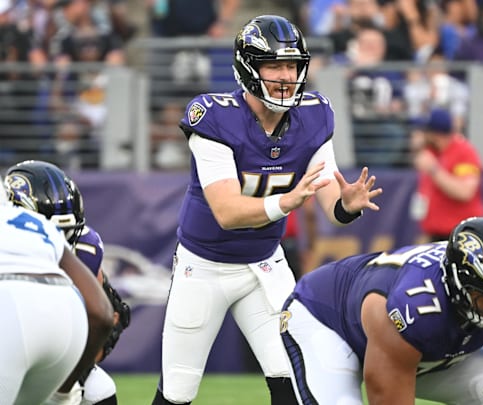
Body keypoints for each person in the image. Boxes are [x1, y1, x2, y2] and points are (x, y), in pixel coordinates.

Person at [152, 14, 383, 405]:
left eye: (292, 64)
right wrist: (286, 202)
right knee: (177, 393)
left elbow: (328, 196)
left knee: (294, 381)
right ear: (248, 68)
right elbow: (227, 211)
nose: (286, 75)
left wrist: (345, 206)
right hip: (203, 266)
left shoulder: (314, 115)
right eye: (274, 64)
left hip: (264, 265)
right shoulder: (214, 117)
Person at [280, 216, 483, 404]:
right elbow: (387, 396)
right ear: (457, 281)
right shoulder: (414, 306)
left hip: (411, 350)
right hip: (329, 322)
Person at [4, 160, 132, 405]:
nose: (63, 239)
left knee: (99, 388)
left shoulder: (86, 246)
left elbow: (100, 318)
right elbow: (101, 314)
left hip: (45, 343)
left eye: (68, 231)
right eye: (55, 231)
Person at [411, 107, 483, 241]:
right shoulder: (432, 151)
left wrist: (434, 169)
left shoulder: (464, 152)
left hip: (463, 235)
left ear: (434, 134)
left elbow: (465, 192)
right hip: (435, 235)